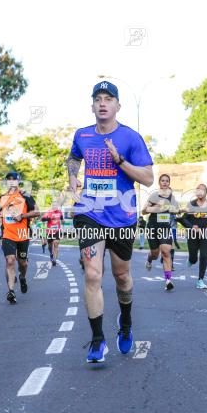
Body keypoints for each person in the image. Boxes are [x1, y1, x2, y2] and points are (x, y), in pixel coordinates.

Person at [67, 80, 153, 363]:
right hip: (90, 211)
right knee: (92, 274)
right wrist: (72, 178)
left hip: (122, 215)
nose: (103, 103)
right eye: (98, 99)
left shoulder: (131, 138)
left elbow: (148, 178)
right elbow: (73, 158)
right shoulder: (82, 135)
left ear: (117, 106)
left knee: (121, 276)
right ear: (92, 105)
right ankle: (97, 340)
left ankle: (125, 323)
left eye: (108, 99)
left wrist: (120, 163)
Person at [0, 171, 39, 304]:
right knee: (10, 260)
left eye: (14, 179)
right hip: (8, 234)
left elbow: (37, 211)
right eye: (8, 179)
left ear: (18, 181)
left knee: (23, 263)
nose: (11, 181)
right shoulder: (2, 197)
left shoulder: (26, 196)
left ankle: (22, 277)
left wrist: (22, 216)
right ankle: (11, 292)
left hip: (22, 235)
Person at [177, 183, 207, 288]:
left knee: (204, 256)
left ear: (206, 193)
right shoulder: (191, 205)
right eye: (198, 189)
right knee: (194, 258)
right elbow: (183, 219)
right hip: (192, 234)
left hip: (205, 233)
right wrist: (191, 226)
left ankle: (200, 280)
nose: (199, 191)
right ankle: (191, 260)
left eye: (202, 190)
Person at [142, 173, 178, 291]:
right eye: (162, 180)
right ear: (159, 182)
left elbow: (176, 210)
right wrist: (158, 207)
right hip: (152, 227)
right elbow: (144, 211)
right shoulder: (154, 195)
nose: (165, 182)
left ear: (169, 183)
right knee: (155, 254)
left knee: (166, 252)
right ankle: (149, 258)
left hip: (165, 228)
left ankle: (168, 280)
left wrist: (167, 207)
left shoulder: (172, 197)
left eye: (167, 180)